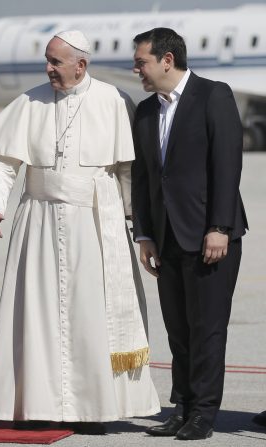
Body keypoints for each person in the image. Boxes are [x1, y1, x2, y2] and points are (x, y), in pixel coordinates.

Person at [0, 30, 159, 433]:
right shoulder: (30, 100)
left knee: (92, 317)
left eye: (56, 62)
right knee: (36, 315)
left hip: (94, 225)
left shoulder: (113, 101)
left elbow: (128, 171)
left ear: (81, 64)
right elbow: (3, 163)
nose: (48, 68)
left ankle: (93, 410)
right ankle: (36, 405)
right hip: (38, 222)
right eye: (47, 60)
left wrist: (137, 224)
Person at [131, 28, 248, 440]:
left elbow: (227, 165)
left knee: (208, 329)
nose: (136, 69)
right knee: (178, 330)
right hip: (166, 239)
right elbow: (143, 179)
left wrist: (219, 227)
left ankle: (203, 413)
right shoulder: (145, 111)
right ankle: (181, 406)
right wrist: (143, 234)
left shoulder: (213, 95)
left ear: (166, 59)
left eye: (141, 61)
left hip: (209, 237)